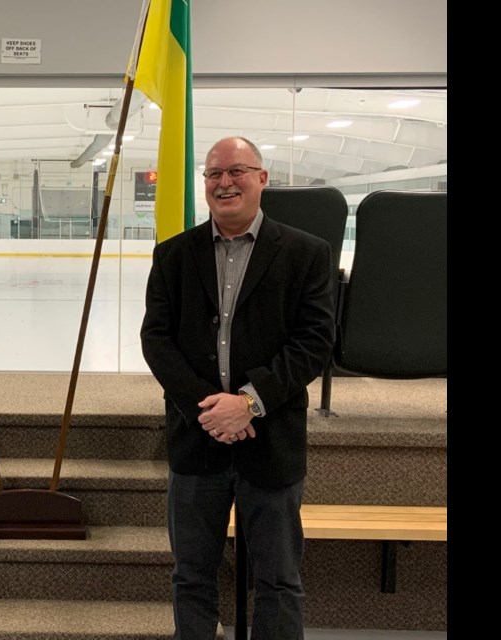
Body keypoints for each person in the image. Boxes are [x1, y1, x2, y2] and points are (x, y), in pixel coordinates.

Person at [140, 136, 336, 639]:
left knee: (278, 580)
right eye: (213, 174)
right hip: (196, 439)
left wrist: (248, 403)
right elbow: (156, 339)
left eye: (237, 171)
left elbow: (314, 344)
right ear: (204, 184)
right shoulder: (172, 256)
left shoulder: (306, 254)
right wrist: (208, 409)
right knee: (191, 577)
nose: (224, 183)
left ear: (262, 178)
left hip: (270, 443)